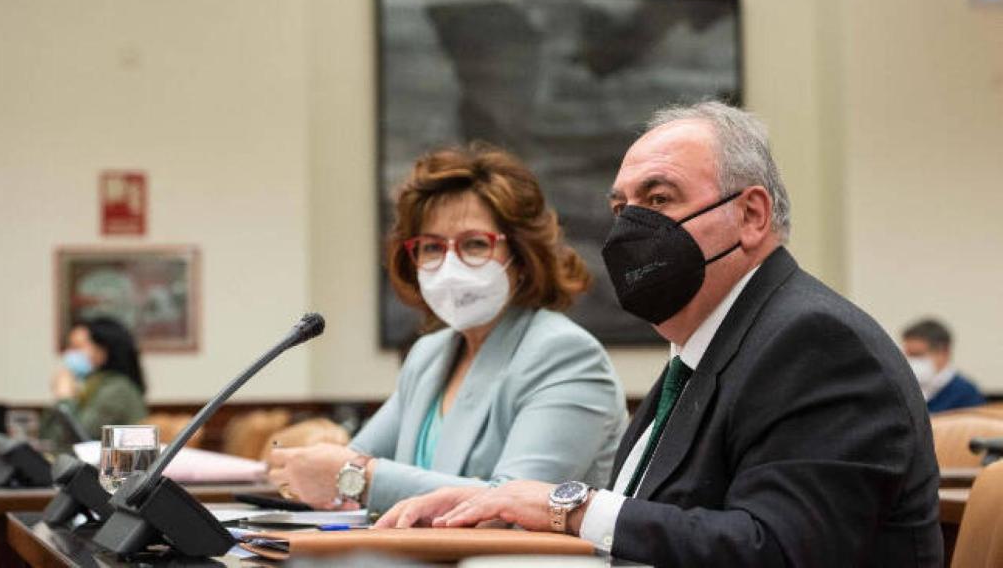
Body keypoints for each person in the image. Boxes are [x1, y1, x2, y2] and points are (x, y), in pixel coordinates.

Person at [377, 102, 943, 567]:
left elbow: (777, 549)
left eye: (659, 199)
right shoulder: (704, 352)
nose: (630, 229)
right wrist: (494, 501)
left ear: (751, 216)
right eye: (621, 207)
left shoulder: (814, 342)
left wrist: (565, 506)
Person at [266, 144, 626, 515]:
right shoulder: (430, 353)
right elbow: (350, 462)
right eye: (432, 247)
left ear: (522, 257)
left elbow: (512, 507)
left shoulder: (564, 354)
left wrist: (355, 477)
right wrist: (308, 462)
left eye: (474, 244)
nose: (450, 264)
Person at [44, 317, 148, 445]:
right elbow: (47, 438)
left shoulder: (118, 389)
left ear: (103, 350)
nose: (69, 353)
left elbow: (78, 441)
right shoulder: (90, 385)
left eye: (77, 347)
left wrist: (65, 399)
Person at [902, 318, 985, 413]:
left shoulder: (966, 393)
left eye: (917, 355)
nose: (910, 361)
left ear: (944, 353)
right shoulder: (903, 390)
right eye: (906, 355)